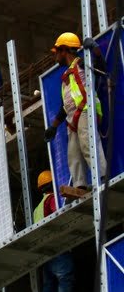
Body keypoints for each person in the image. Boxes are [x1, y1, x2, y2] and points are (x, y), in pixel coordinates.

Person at [44, 32, 107, 190]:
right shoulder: (66, 78)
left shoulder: (81, 64)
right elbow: (65, 107)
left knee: (89, 144)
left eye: (57, 51)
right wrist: (54, 126)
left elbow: (101, 68)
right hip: (72, 119)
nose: (55, 56)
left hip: (86, 110)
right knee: (74, 154)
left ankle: (102, 176)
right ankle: (80, 185)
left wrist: (96, 49)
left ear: (64, 50)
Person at [34, 170, 76, 292]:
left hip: (44, 253)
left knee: (49, 286)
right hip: (57, 246)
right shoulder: (52, 200)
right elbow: (58, 215)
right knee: (65, 276)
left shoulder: (37, 208)